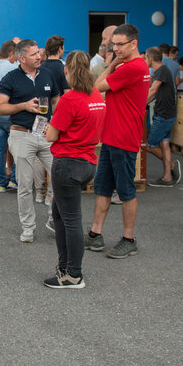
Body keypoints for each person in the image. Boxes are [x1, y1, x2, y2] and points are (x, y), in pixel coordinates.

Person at [85, 24, 150, 259]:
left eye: (120, 44)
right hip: (113, 136)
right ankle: (95, 234)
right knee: (102, 187)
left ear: (134, 44)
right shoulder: (130, 65)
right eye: (113, 44)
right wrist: (114, 62)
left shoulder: (132, 67)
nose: (115, 48)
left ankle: (128, 239)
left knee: (126, 192)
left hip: (124, 138)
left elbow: (95, 86)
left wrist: (111, 65)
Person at [43, 51, 106, 288]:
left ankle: (73, 274)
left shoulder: (71, 99)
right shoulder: (96, 96)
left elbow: (51, 134)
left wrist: (49, 129)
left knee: (70, 220)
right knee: (60, 215)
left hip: (68, 162)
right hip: (87, 159)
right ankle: (64, 267)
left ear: (67, 70)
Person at [0, 39, 60, 243]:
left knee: (60, 179)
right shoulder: (10, 78)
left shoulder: (47, 74)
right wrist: (23, 105)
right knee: (25, 185)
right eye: (33, 55)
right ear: (21, 58)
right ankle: (28, 227)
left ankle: (54, 220)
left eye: (38, 53)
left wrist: (56, 124)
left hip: (46, 135)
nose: (39, 57)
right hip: (22, 134)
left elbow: (57, 100)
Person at [144, 47, 181, 187]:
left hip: (163, 116)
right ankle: (167, 178)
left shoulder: (162, 71)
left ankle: (171, 165)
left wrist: (138, 105)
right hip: (167, 114)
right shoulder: (161, 71)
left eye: (146, 58)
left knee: (149, 145)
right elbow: (152, 93)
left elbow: (152, 90)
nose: (145, 60)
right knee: (164, 144)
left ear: (151, 59)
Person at [0, 40, 18, 192]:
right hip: (9, 111)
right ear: (11, 53)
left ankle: (1, 183)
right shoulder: (14, 69)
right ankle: (13, 180)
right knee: (16, 147)